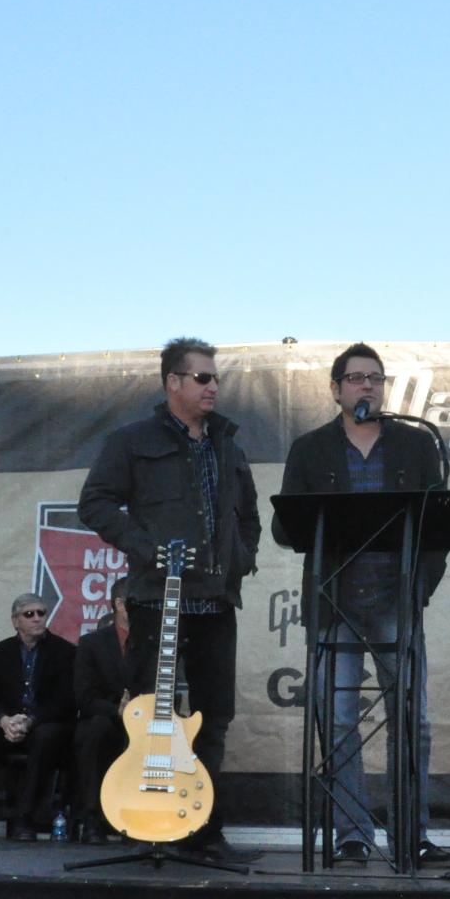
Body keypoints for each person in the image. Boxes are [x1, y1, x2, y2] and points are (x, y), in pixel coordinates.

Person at [78, 336, 263, 864]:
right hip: (155, 598)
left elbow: (247, 514)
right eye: (202, 378)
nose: (213, 386)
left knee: (213, 717)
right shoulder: (131, 440)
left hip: (216, 601)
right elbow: (95, 502)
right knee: (145, 712)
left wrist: (241, 556)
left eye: (216, 378)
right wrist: (147, 549)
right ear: (173, 383)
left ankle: (203, 829)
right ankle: (141, 823)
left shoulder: (228, 444)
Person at [273, 341, 450, 867]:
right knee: (338, 721)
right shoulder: (310, 450)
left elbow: (437, 529)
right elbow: (286, 527)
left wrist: (419, 589)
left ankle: (411, 835)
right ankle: (351, 834)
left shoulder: (417, 445)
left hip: (398, 600)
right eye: (355, 378)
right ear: (336, 390)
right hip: (335, 603)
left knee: (410, 722)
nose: (367, 386)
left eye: (374, 378)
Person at [0, 594, 77, 841]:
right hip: (6, 726)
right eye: (29, 614)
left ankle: (24, 817)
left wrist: (30, 720)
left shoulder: (65, 652)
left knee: (47, 736)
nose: (37, 618)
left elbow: (65, 701)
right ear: (15, 621)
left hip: (42, 726)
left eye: (41, 613)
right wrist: (4, 720)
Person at [71, 584, 134, 842]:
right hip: (105, 716)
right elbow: (84, 696)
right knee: (95, 730)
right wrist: (117, 710)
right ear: (120, 604)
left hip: (144, 719)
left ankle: (139, 818)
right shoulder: (92, 643)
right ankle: (92, 818)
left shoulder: (153, 642)